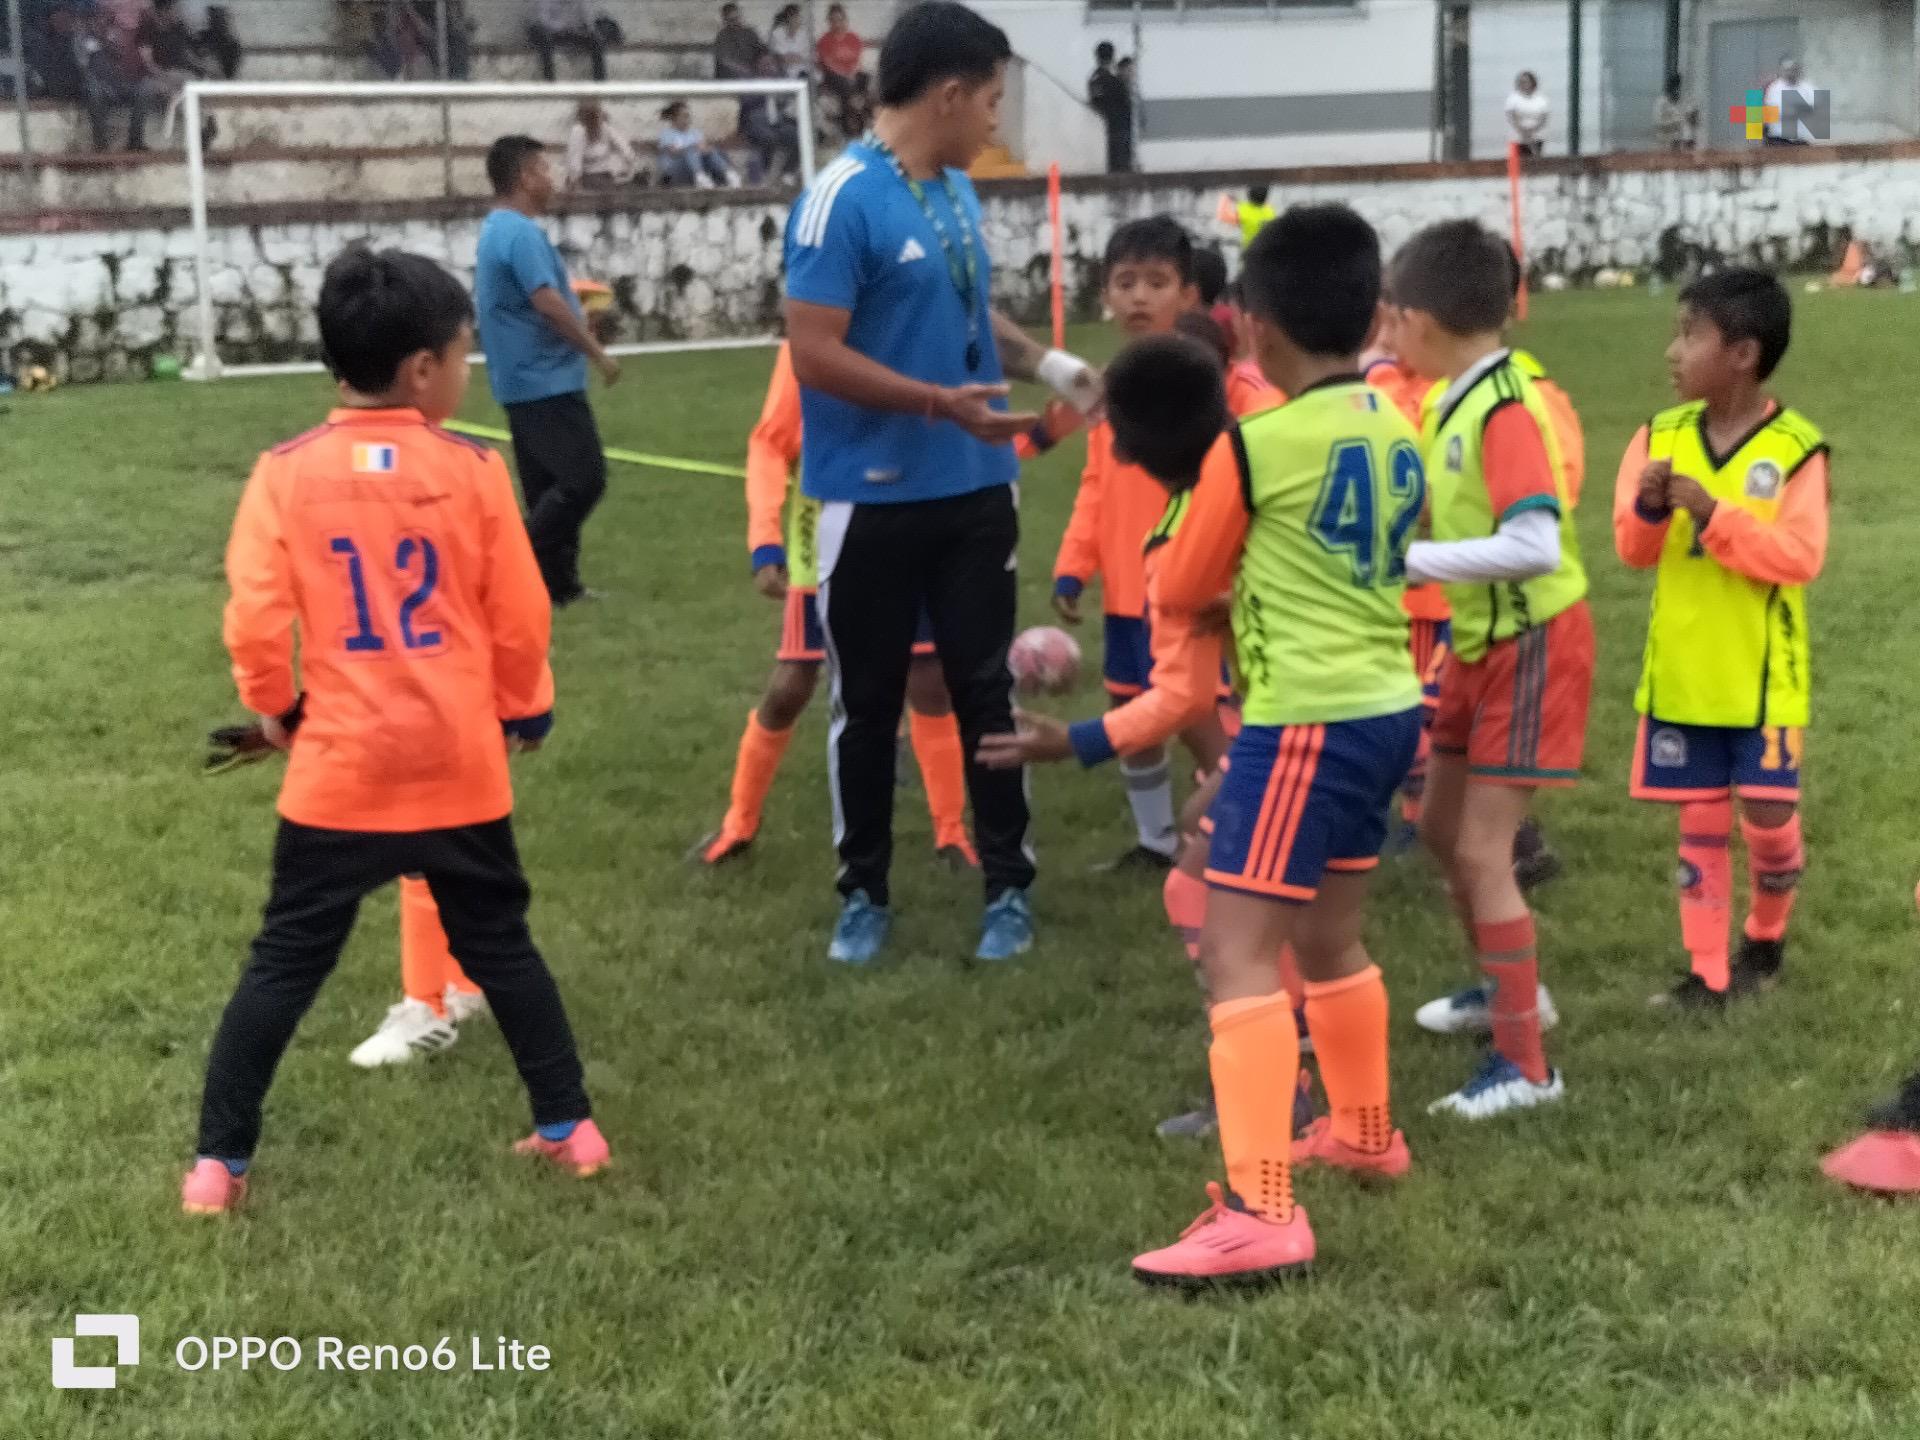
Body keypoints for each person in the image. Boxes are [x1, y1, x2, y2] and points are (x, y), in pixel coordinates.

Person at [179, 246, 609, 1216]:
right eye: (463, 355)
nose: (466, 372)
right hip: (457, 764)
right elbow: (519, 611)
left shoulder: (285, 474)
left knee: (283, 965)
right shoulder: (474, 471)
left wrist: (274, 708)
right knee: (502, 950)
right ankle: (571, 1129)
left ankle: (217, 1168)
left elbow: (254, 617)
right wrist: (526, 704)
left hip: (341, 773)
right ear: (421, 370)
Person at [1115, 205, 1427, 1287]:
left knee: (1236, 949)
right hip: (1388, 706)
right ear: (1373, 317)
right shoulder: (1395, 423)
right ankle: (1366, 1132)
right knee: (1332, 934)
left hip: (1305, 718)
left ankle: (1261, 1209)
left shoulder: (1254, 446)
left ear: (1251, 326)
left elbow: (1181, 581)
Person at [782, 1, 1100, 966]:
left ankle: (1009, 887)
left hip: (977, 487)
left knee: (982, 690)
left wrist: (1051, 367)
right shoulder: (839, 200)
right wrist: (935, 404)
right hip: (870, 494)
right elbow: (813, 351)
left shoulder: (955, 191)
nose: (997, 120)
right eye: (993, 100)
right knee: (869, 701)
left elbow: (966, 312)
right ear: (950, 95)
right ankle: (863, 895)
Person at [1390, 220, 1593, 1120]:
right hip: (1479, 642)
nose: (1387, 334)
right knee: (1440, 828)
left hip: (1532, 642)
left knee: (1482, 848)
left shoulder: (1504, 407)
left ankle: (1526, 1066)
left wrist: (1410, 562)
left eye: (1392, 317)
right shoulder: (1449, 400)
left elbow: (1535, 544)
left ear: (1421, 322)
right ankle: (1510, 993)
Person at [1613, 269, 1823, 1009]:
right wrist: (1647, 511)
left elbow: (1800, 557)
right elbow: (1632, 551)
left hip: (1764, 680)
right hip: (1683, 673)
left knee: (1767, 816)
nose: (1672, 352)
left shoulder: (1796, 449)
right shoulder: (1660, 436)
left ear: (1742, 354)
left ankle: (1765, 936)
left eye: (1689, 335)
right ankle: (1706, 972)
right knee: (1699, 821)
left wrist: (1713, 514)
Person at [696, 342, 975, 872]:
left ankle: (951, 833)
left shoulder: (915, 326)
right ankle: (739, 823)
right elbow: (771, 441)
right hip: (823, 534)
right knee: (791, 684)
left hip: (910, 524)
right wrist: (765, 540)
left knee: (927, 678)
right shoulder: (808, 339)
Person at [1053, 217, 1246, 873]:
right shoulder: (1106, 390)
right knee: (1129, 709)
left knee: (1196, 716)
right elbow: (1095, 485)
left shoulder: (1210, 382)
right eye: (1125, 282)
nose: (1138, 297)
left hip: (1191, 586)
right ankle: (1156, 840)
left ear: (1189, 295)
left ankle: (1247, 827)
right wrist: (1072, 567)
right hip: (1126, 589)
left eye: (1157, 283)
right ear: (1106, 295)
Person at [474, 135, 620, 607]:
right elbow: (547, 302)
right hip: (545, 381)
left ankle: (558, 587)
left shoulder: (498, 230)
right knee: (583, 480)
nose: (551, 179)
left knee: (547, 489)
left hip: (522, 380)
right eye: (544, 169)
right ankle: (506, 563)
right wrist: (596, 352)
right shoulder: (520, 233)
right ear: (524, 177)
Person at [739, 51, 802, 185]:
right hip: (756, 121)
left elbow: (788, 100)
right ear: (757, 65)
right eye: (765, 63)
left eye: (771, 63)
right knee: (768, 138)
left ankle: (788, 173)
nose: (768, 67)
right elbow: (746, 102)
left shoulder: (781, 80)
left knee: (799, 135)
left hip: (778, 121)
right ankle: (763, 173)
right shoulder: (749, 81)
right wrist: (764, 90)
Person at [657, 100, 740, 189]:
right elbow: (673, 152)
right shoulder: (666, 134)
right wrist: (692, 148)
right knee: (691, 151)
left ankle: (729, 174)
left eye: (688, 116)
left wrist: (705, 149)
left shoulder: (695, 133)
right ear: (675, 118)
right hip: (677, 170)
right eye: (684, 116)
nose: (688, 119)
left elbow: (703, 148)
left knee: (712, 151)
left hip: (697, 168)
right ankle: (700, 177)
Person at [815, 3, 868, 138]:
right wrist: (845, 75)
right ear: (829, 22)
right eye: (833, 20)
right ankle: (850, 125)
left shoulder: (853, 38)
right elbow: (828, 64)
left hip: (851, 74)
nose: (837, 24)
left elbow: (857, 61)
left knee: (866, 77)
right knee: (844, 85)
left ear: (845, 20)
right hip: (833, 75)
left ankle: (859, 116)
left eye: (840, 20)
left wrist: (852, 73)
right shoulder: (824, 40)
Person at [565, 100, 638, 190]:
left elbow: (625, 148)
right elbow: (575, 160)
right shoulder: (579, 131)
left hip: (603, 175)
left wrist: (631, 168)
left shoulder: (605, 128)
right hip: (588, 176)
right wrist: (575, 181)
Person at [528, 0, 605, 83]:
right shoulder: (545, 2)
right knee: (544, 41)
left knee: (596, 41)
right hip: (554, 33)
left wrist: (583, 29)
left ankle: (600, 81)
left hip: (574, 32)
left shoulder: (581, 2)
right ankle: (549, 81)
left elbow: (588, 20)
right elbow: (544, 22)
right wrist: (564, 27)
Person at [1087, 41, 1133, 175]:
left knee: (1113, 167)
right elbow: (1124, 103)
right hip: (1118, 127)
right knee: (1122, 167)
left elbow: (1095, 102)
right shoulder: (1114, 81)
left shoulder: (1095, 78)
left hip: (1104, 128)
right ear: (1112, 57)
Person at [1764, 57, 1814, 146]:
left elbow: (1813, 109)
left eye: (1794, 70)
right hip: (1779, 138)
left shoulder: (1807, 87)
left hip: (1800, 139)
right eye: (1789, 70)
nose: (1792, 73)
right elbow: (1775, 112)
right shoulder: (1775, 88)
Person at [712, 0, 761, 82]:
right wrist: (743, 69)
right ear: (725, 21)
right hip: (731, 76)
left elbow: (761, 52)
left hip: (751, 73)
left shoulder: (750, 33)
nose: (736, 22)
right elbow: (725, 60)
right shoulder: (722, 36)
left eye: (737, 18)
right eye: (732, 20)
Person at [1505, 70, 1549, 157]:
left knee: (1534, 162)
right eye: (1522, 82)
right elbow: (1512, 117)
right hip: (1517, 138)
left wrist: (1532, 131)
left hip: (1536, 138)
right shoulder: (1513, 98)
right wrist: (1523, 132)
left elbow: (1543, 118)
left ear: (1533, 83)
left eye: (1526, 82)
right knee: (1516, 164)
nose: (1524, 84)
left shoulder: (1541, 99)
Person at [1653, 73, 1695, 152]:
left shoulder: (1684, 101)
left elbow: (1690, 117)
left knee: (1686, 126)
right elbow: (1658, 122)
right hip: (1666, 136)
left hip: (1680, 138)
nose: (1676, 90)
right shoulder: (1661, 102)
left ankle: (1687, 149)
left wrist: (1690, 115)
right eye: (1674, 88)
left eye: (1677, 87)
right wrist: (1676, 121)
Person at [768, 2, 808, 78]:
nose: (799, 20)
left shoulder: (804, 34)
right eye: (796, 17)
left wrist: (799, 58)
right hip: (781, 70)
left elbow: (809, 55)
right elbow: (773, 53)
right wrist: (783, 58)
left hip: (802, 70)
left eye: (799, 17)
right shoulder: (776, 33)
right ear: (789, 18)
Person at [1235, 184, 1274, 250]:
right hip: (1266, 249)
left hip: (1249, 249)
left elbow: (1224, 215)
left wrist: (1225, 198)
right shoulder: (1270, 212)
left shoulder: (1242, 210)